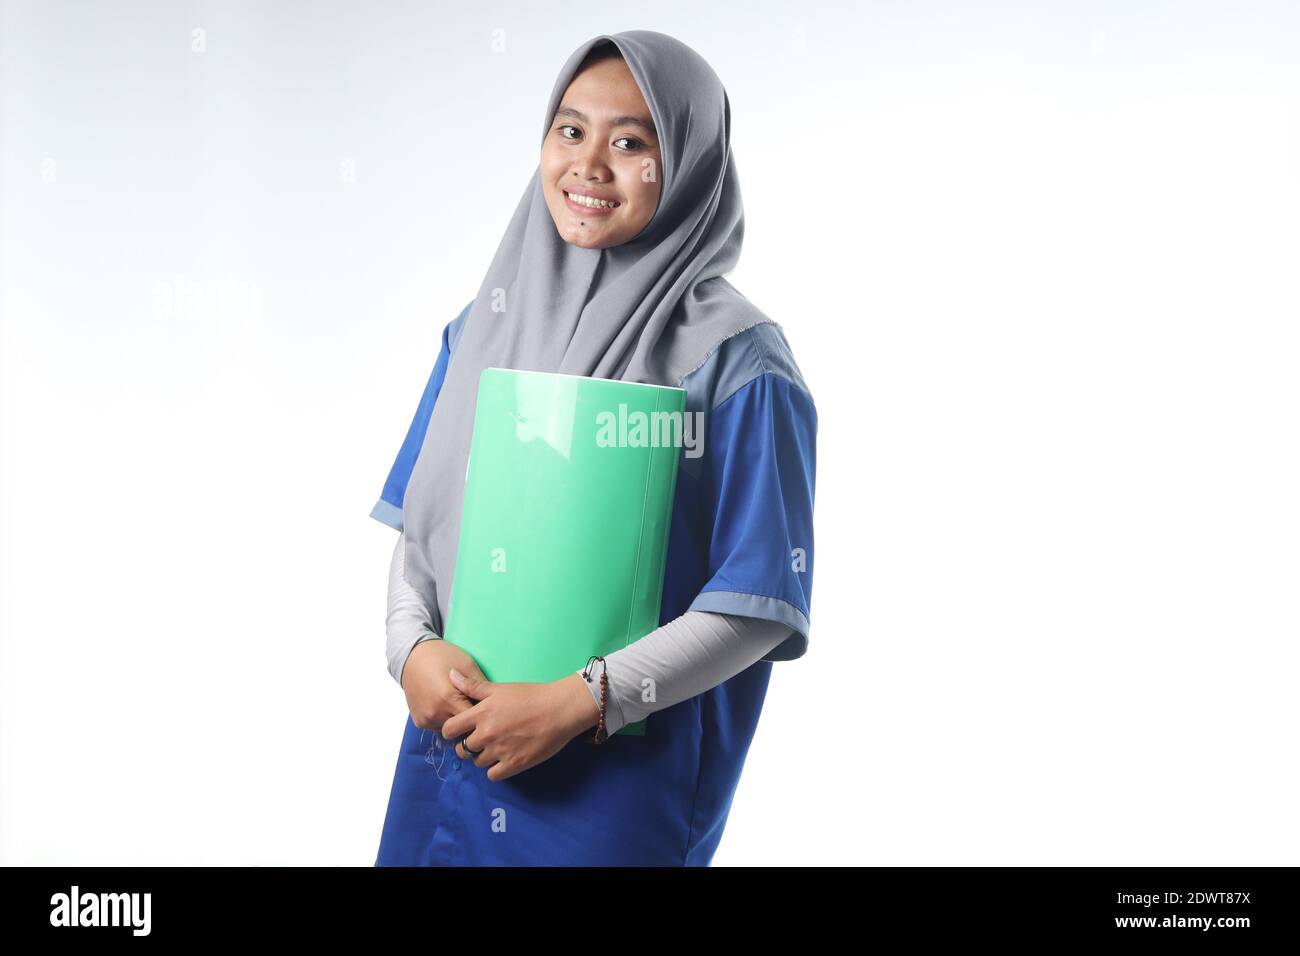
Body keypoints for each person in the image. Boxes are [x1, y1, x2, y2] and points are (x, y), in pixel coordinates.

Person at [368, 30, 818, 866]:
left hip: (613, 791)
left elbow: (757, 604)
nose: (589, 166)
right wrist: (410, 648)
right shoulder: (482, 327)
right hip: (450, 762)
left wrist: (580, 703)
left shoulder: (739, 361)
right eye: (570, 131)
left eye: (631, 142)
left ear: (687, 162)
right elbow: (424, 528)